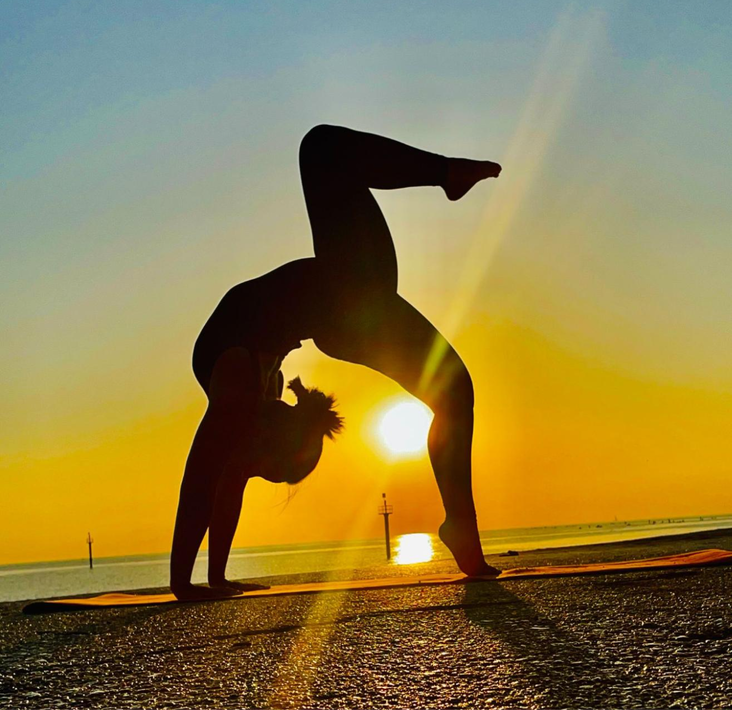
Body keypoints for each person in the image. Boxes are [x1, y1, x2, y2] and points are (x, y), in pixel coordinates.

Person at [170, 125, 502, 600]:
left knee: (455, 392)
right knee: (320, 148)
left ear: (269, 433)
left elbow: (205, 476)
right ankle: (444, 174)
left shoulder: (238, 382)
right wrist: (207, 581)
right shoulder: (253, 395)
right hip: (348, 302)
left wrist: (187, 582)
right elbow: (226, 481)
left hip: (349, 299)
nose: (251, 472)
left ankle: (462, 529)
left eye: (265, 468)